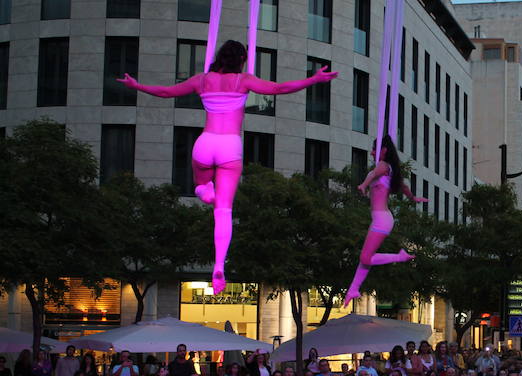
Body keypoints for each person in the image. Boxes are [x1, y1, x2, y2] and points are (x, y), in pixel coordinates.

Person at [119, 41, 337, 293]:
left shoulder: (202, 80)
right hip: (230, 147)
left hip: (206, 142)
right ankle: (219, 263)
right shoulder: (243, 81)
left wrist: (137, 85)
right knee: (223, 210)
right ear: (242, 58)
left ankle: (204, 191)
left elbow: (166, 92)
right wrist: (313, 79)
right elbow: (279, 88)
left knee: (201, 184)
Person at [343, 136, 428, 306]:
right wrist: (413, 198)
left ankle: (400, 257)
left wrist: (364, 185)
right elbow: (403, 186)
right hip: (380, 219)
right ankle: (353, 288)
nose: (372, 152)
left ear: (384, 151)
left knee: (366, 258)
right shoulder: (389, 169)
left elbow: (373, 175)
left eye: (375, 149)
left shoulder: (383, 165)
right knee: (365, 258)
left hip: (382, 220)